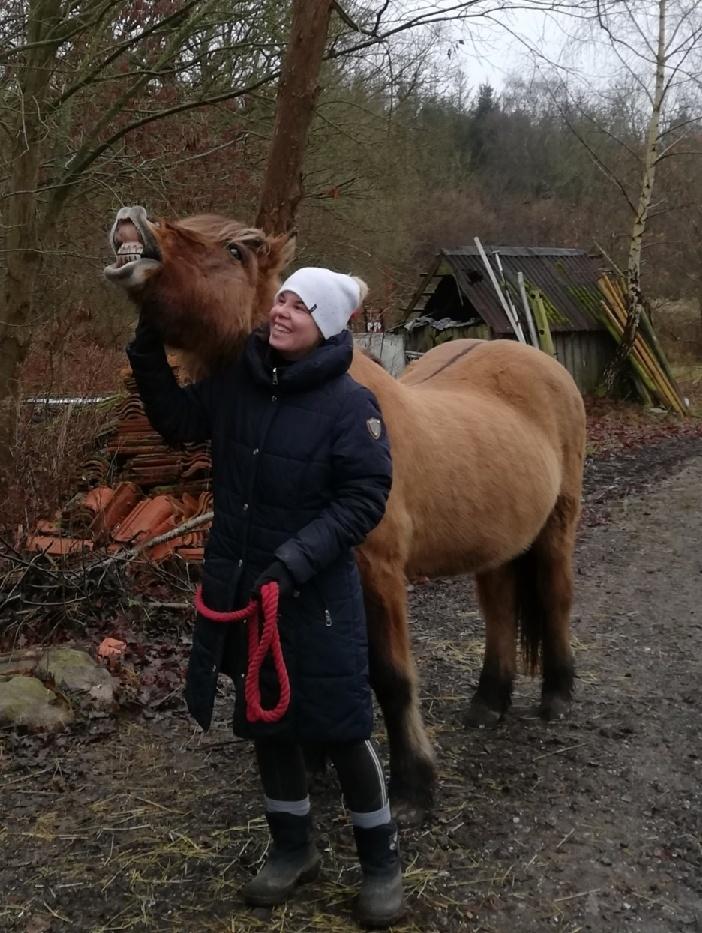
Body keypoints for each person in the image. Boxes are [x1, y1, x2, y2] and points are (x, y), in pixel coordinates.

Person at [126, 267, 402, 928]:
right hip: (247, 588)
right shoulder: (240, 382)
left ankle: (381, 862)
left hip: (316, 595)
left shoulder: (350, 406)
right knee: (265, 723)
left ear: (327, 324)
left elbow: (364, 499)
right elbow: (177, 420)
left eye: (299, 306)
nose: (281, 311)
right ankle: (292, 847)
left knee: (340, 728)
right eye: (280, 297)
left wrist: (294, 559)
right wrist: (147, 335)